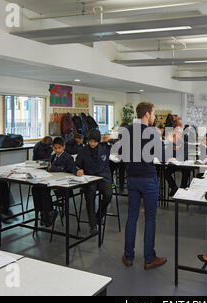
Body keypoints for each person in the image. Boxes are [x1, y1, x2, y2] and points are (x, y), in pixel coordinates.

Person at [123, 102, 167, 270]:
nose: (154, 117)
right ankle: (149, 258)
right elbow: (162, 157)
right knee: (150, 219)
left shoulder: (127, 131)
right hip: (148, 179)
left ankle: (128, 256)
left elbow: (121, 153)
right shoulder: (152, 133)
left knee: (132, 217)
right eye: (153, 114)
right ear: (147, 114)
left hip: (132, 179)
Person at [32, 137, 76, 227]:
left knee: (44, 190)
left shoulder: (68, 157)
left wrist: (53, 169)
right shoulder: (52, 157)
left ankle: (49, 212)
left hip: (63, 184)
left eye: (59, 148)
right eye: (55, 148)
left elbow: (68, 170)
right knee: (35, 188)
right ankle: (42, 212)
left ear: (63, 147)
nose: (57, 150)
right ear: (52, 147)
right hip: (51, 180)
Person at [76, 128, 113, 236]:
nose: (92, 144)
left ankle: (99, 216)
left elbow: (120, 144)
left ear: (99, 141)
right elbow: (77, 163)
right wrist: (79, 169)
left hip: (103, 178)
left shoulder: (105, 147)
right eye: (90, 141)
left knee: (108, 195)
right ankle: (93, 225)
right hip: (89, 179)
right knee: (90, 196)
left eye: (95, 142)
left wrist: (111, 139)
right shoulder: (83, 150)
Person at [164, 127, 190, 197]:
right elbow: (166, 155)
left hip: (182, 165)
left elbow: (185, 157)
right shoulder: (170, 144)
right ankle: (174, 187)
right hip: (173, 165)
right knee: (165, 172)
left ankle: (182, 189)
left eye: (178, 134)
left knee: (187, 170)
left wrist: (175, 159)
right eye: (175, 134)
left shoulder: (185, 144)